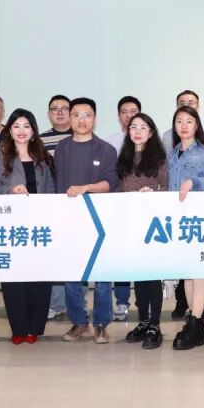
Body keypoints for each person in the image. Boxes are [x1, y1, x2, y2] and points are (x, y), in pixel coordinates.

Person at [0, 109, 57, 344]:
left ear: (34, 131)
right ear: (9, 130)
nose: (21, 131)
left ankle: (34, 328)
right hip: (12, 225)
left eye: (26, 126)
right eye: (16, 126)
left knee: (39, 276)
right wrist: (11, 190)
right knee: (14, 278)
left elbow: (51, 189)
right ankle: (18, 328)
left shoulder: (44, 156)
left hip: (39, 225)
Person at [55, 97, 120, 343]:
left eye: (87, 115)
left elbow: (110, 183)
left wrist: (86, 188)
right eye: (77, 115)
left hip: (98, 220)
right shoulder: (61, 148)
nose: (82, 120)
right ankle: (79, 322)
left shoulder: (106, 149)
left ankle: (101, 324)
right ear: (70, 118)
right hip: (69, 220)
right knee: (71, 275)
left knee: (102, 275)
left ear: (95, 118)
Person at [167, 105, 204, 350]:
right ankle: (193, 320)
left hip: (198, 219)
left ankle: (197, 322)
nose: (184, 125)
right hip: (178, 221)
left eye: (189, 121)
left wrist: (194, 182)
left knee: (198, 272)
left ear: (197, 125)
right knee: (187, 272)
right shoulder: (172, 154)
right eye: (179, 121)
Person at [116, 112, 169, 349]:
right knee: (138, 275)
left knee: (152, 277)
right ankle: (143, 321)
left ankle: (155, 325)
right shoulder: (123, 158)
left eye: (143, 127)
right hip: (130, 224)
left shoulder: (159, 159)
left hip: (153, 225)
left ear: (151, 132)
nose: (137, 131)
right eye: (133, 127)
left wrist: (154, 193)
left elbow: (167, 188)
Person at [105, 96, 142, 319]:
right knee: (121, 255)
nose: (129, 116)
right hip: (118, 207)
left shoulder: (150, 141)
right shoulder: (110, 142)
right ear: (119, 116)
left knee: (142, 255)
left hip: (143, 208)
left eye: (133, 111)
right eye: (124, 112)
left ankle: (144, 302)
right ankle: (121, 301)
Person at [40, 94, 72, 319]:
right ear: (49, 113)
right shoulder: (40, 141)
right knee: (55, 254)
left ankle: (76, 303)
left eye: (64, 108)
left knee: (75, 254)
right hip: (50, 205)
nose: (59, 112)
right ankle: (56, 303)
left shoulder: (81, 137)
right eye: (54, 109)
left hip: (77, 205)